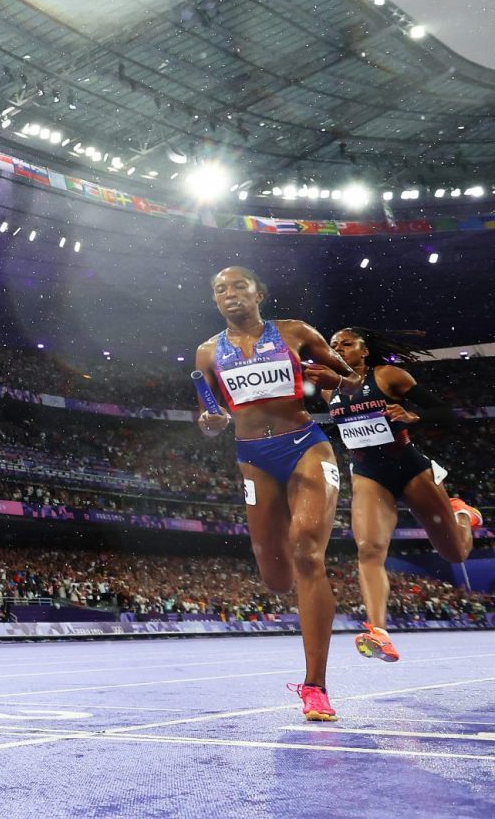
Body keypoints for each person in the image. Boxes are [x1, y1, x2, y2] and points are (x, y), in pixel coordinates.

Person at [195, 266, 363, 723]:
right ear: (215, 301)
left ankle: (315, 687)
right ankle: (293, 575)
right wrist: (210, 424)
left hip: (306, 446)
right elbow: (209, 416)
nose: (229, 294)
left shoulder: (295, 332)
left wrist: (336, 381)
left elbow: (350, 380)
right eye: (220, 289)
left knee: (308, 552)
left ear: (258, 292)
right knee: (275, 577)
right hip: (252, 458)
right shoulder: (208, 353)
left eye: (238, 286)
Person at [323, 326, 483, 663]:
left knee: (454, 553)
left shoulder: (388, 376)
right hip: (368, 474)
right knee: (368, 549)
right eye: (333, 346)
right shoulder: (328, 388)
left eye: (347, 344)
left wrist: (414, 416)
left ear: (364, 350)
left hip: (410, 469)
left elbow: (446, 414)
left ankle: (463, 515)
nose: (338, 350)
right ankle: (378, 632)